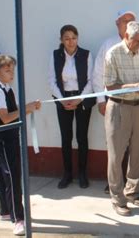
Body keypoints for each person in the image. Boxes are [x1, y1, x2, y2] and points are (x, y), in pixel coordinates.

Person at [0, 55, 41, 236]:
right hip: (5, 139)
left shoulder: (7, 88)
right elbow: (6, 117)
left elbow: (12, 110)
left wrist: (28, 106)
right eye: (7, 70)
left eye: (12, 70)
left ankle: (5, 210)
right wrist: (27, 108)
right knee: (12, 176)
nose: (11, 74)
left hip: (9, 137)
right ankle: (18, 218)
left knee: (4, 174)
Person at [103, 21, 139, 216]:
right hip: (118, 107)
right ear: (126, 36)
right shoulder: (112, 54)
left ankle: (132, 191)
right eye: (137, 41)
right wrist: (135, 86)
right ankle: (117, 199)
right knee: (116, 155)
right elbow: (110, 87)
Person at [93, 10, 136, 194]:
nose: (129, 24)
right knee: (115, 146)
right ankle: (114, 183)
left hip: (136, 104)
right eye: (125, 21)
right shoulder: (108, 45)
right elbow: (98, 74)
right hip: (114, 103)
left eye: (132, 21)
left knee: (134, 145)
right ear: (117, 23)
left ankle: (130, 185)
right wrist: (100, 100)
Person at [48, 25, 95, 189]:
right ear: (61, 40)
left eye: (73, 38)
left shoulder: (86, 54)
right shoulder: (56, 55)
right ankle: (67, 174)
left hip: (81, 99)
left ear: (78, 38)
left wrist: (79, 99)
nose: (70, 41)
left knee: (82, 137)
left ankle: (82, 173)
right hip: (63, 98)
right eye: (66, 38)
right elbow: (52, 80)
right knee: (66, 137)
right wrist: (62, 100)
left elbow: (91, 80)